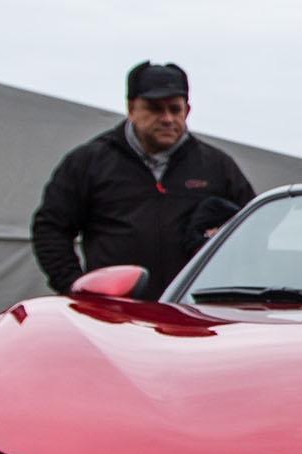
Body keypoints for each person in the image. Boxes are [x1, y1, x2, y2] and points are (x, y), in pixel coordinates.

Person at [31, 61, 254, 296]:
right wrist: (76, 288)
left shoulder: (217, 166)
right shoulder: (90, 162)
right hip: (114, 311)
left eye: (175, 109)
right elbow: (50, 228)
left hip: (190, 310)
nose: (167, 118)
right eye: (155, 108)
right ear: (131, 108)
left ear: (187, 111)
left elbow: (255, 228)